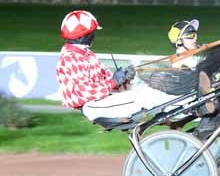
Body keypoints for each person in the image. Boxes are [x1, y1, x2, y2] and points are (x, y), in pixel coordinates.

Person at [56, 10, 211, 123]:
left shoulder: (87, 54)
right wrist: (113, 82)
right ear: (85, 35)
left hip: (105, 100)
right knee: (146, 96)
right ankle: (190, 106)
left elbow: (108, 84)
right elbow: (80, 95)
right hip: (94, 107)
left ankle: (189, 103)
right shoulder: (70, 58)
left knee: (147, 92)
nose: (94, 35)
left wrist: (122, 78)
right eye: (92, 32)